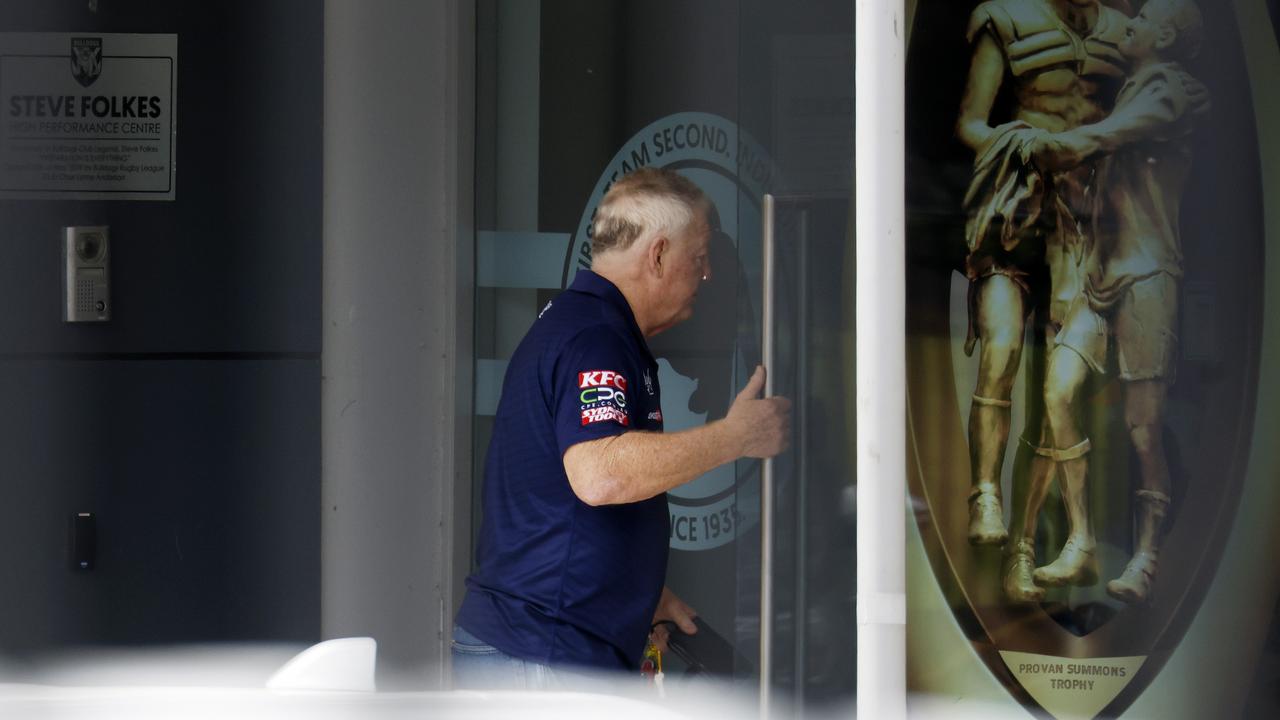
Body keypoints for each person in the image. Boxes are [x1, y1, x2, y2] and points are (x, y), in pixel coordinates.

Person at [452, 166, 791, 689]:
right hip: (542, 656)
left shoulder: (583, 326)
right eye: (699, 258)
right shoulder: (596, 338)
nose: (707, 276)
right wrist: (737, 435)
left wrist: (637, 593)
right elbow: (600, 475)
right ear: (657, 255)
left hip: (536, 649)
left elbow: (553, 495)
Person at [1027, 0, 1208, 603]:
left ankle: (1148, 554)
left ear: (1169, 34)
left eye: (1145, 16)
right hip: (1102, 278)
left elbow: (1107, 138)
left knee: (1142, 429)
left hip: (1148, 276)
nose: (1129, 19)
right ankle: (1079, 539)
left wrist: (1064, 144)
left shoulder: (1171, 91)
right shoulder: (1136, 89)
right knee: (1057, 392)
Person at [955, 0, 1130, 603]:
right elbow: (970, 123)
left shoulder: (1124, 30)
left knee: (1057, 397)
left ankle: (1024, 550)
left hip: (1082, 228)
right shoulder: (1006, 17)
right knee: (1000, 354)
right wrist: (1024, 144)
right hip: (1014, 214)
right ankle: (985, 494)